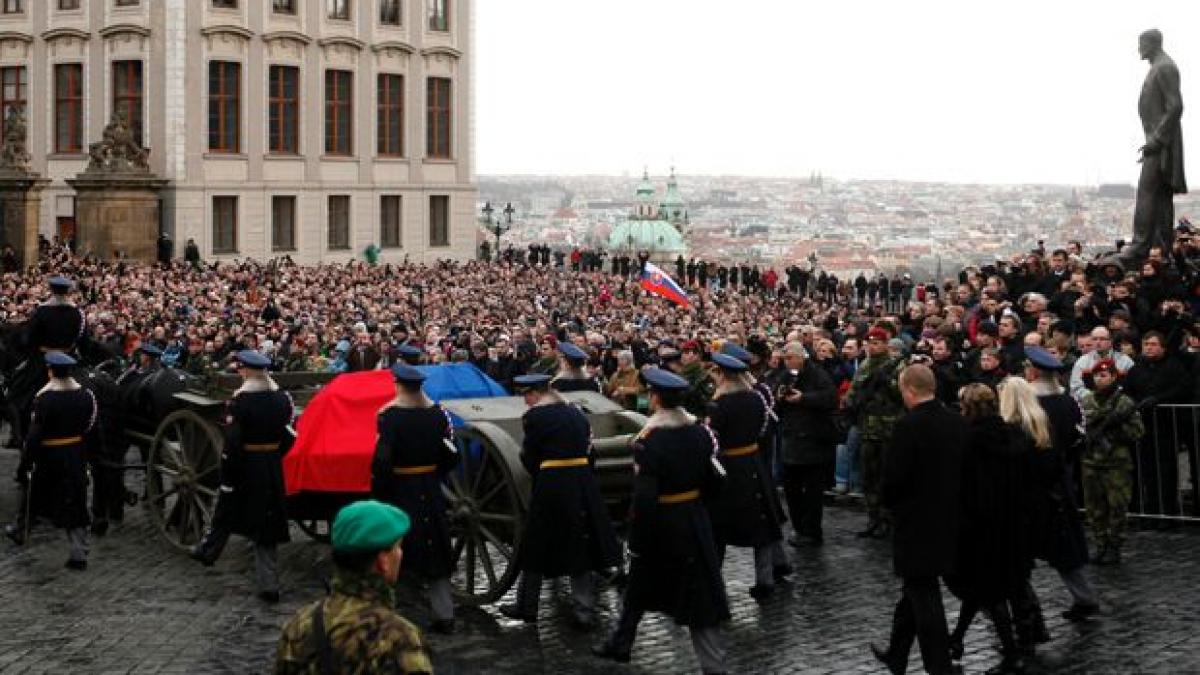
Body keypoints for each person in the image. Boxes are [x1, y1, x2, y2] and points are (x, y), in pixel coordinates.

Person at [592, 368, 729, 673]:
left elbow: (645, 496)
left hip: (662, 524)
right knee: (687, 594)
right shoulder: (700, 433)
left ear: (654, 399)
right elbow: (715, 480)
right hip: (693, 518)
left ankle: (623, 641)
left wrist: (637, 540)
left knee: (646, 586)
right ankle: (622, 642)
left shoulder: (649, 441)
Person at [500, 374, 621, 628]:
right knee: (581, 542)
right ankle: (584, 610)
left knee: (535, 543)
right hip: (581, 482)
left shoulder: (534, 417)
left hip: (552, 483)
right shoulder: (576, 413)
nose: (526, 401)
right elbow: (590, 451)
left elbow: (529, 455)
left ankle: (527, 606)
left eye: (527, 395)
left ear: (534, 393)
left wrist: (541, 472)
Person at [871, 364, 964, 675]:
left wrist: (887, 503)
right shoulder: (956, 420)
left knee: (923, 594)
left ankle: (938, 666)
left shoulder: (907, 426)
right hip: (948, 515)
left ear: (908, 390)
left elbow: (895, 477)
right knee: (914, 589)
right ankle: (897, 653)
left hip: (916, 521)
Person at [274, 500, 433, 674]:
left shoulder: (299, 624)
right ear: (383, 561)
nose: (400, 554)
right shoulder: (399, 637)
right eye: (398, 547)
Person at [190, 350, 295, 603]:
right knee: (266, 522)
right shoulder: (282, 399)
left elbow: (233, 442)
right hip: (270, 465)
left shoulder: (240, 402)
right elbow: (289, 436)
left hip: (247, 465)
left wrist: (228, 474)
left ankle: (212, 551)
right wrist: (273, 455)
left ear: (246, 371)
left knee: (228, 505)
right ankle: (213, 552)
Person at [945, 383, 1034, 675]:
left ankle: (1011, 653)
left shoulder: (970, 441)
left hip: (982, 527)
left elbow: (968, 487)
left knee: (989, 591)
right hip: (1012, 523)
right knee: (983, 589)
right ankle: (956, 639)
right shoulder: (1014, 435)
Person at [370, 364, 459, 634]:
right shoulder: (437, 414)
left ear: (398, 386)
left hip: (401, 489)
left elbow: (383, 458)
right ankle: (444, 613)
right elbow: (451, 454)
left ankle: (389, 612)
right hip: (430, 488)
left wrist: (381, 488)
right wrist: (434, 475)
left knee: (393, 548)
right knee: (435, 547)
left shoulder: (391, 417)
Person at [1020, 346, 1100, 635]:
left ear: (1035, 371)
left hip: (1033, 482)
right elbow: (1077, 438)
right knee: (1064, 544)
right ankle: (1084, 597)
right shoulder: (1068, 402)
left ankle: (1022, 606)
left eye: (1028, 368)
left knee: (1023, 547)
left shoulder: (1028, 403)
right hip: (1060, 478)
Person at [4, 352, 101, 571]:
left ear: (50, 372)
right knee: (76, 501)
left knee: (34, 494)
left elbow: (35, 435)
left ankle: (21, 529)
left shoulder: (44, 398)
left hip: (49, 455)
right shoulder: (86, 395)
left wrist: (26, 463)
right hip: (75, 453)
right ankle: (78, 553)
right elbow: (90, 427)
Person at [705, 353, 785, 599]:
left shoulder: (719, 405)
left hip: (729, 467)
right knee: (761, 525)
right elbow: (764, 430)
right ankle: (765, 580)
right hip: (752, 463)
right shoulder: (757, 399)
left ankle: (713, 581)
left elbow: (711, 439)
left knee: (718, 526)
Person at [1123, 29, 1187, 266]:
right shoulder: (1158, 67)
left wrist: (1157, 140)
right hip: (1160, 141)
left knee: (1147, 191)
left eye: (1141, 44)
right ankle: (1162, 245)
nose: (1139, 49)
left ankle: (1140, 245)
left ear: (1152, 43)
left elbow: (1176, 106)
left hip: (1162, 143)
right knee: (1160, 194)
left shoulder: (1164, 67)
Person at [1080, 358, 1145, 565]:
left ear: (1114, 377)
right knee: (1094, 508)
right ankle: (1101, 545)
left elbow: (1138, 431)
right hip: (1091, 463)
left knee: (1117, 508)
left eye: (1104, 375)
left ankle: (1114, 546)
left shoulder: (1124, 402)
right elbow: (1079, 426)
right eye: (1097, 375)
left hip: (1116, 464)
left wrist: (1116, 430)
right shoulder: (1087, 401)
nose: (1100, 379)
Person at [773, 342, 837, 547]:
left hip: (813, 441)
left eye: (790, 357)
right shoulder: (785, 375)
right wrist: (779, 396)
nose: (787, 361)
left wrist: (804, 398)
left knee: (812, 493)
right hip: (791, 439)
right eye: (785, 358)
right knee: (791, 490)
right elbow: (774, 396)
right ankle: (799, 527)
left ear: (801, 357)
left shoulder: (818, 374)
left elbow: (830, 397)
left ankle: (811, 531)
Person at [843, 326, 905, 538]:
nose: (872, 346)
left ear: (886, 343)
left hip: (888, 428)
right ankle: (873, 518)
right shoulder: (865, 365)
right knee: (869, 476)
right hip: (867, 427)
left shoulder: (896, 365)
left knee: (886, 477)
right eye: (869, 342)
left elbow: (901, 393)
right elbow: (854, 391)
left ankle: (888, 519)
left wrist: (886, 382)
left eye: (876, 342)